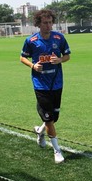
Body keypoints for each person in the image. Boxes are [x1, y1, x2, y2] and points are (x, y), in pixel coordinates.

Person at [20, 9, 71, 164]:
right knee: (49, 120)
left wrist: (60, 60)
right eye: (45, 23)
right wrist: (33, 65)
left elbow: (67, 56)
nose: (48, 25)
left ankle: (40, 131)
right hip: (40, 85)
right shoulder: (31, 40)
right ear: (38, 24)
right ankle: (57, 151)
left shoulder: (59, 38)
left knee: (53, 118)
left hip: (57, 83)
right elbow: (22, 57)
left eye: (50, 22)